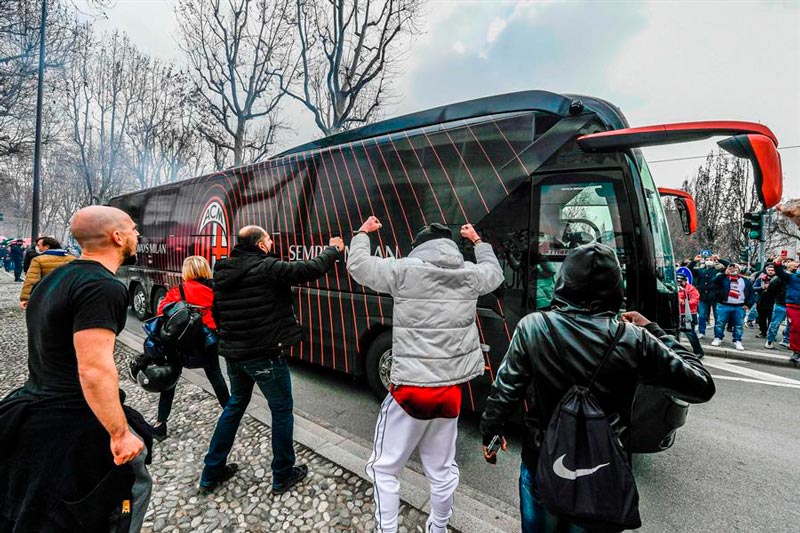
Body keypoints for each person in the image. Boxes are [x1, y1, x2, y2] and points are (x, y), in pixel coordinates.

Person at [479, 243, 715, 533]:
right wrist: (653, 329)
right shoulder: (634, 338)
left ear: (564, 280)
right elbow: (701, 385)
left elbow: (505, 390)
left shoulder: (534, 326)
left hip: (542, 456)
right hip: (604, 463)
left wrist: (490, 432)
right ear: (616, 286)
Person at [347, 217, 504, 533]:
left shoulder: (405, 270)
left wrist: (363, 233)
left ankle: (387, 529)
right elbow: (495, 274)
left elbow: (359, 266)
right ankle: (439, 527)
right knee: (442, 470)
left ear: (418, 246)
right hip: (450, 392)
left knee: (385, 469)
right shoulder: (469, 273)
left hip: (411, 391)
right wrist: (477, 242)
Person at [0, 206, 152, 532]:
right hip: (73, 421)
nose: (137, 235)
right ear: (117, 236)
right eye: (133, 229)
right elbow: (94, 368)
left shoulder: (53, 279)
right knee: (127, 493)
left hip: (35, 411)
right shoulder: (103, 287)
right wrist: (120, 433)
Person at [199, 226, 344, 494]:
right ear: (260, 245)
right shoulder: (266, 267)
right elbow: (308, 270)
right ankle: (282, 474)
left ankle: (211, 471)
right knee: (281, 410)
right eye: (268, 240)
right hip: (264, 355)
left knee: (234, 406)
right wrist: (333, 250)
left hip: (235, 355)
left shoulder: (222, 270)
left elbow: (218, 314)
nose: (272, 243)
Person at [150, 255, 230, 441]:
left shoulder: (176, 291)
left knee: (170, 380)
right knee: (216, 376)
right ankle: (229, 414)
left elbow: (161, 313)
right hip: (205, 342)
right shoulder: (212, 291)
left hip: (178, 344)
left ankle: (161, 423)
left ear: (186, 271)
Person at [19, 236, 76, 309]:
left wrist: (25, 298)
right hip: (68, 296)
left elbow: (31, 280)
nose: (37, 248)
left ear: (46, 247)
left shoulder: (38, 260)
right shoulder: (72, 259)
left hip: (46, 296)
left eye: (39, 245)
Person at [710, 263, 754, 351]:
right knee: (720, 323)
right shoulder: (723, 278)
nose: (733, 270)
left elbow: (751, 293)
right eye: (731, 268)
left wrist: (748, 304)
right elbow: (714, 282)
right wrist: (725, 273)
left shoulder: (745, 281)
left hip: (739, 306)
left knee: (738, 325)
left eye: (736, 268)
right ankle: (718, 338)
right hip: (724, 305)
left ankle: (737, 340)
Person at [689, 255, 728, 337]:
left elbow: (729, 266)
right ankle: (701, 332)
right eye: (707, 259)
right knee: (702, 315)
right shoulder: (700, 270)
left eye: (711, 259)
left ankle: (718, 334)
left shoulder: (718, 271)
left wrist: (720, 259)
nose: (709, 261)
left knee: (717, 317)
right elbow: (688, 269)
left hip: (715, 297)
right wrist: (695, 261)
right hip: (702, 296)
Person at [772, 257, 800, 365]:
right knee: (795, 328)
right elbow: (779, 272)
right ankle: (796, 351)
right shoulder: (792, 277)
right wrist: (778, 261)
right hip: (794, 306)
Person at [677, 272, 704, 356]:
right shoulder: (673, 288)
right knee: (675, 333)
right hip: (677, 313)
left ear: (685, 281)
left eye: (681, 281)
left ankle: (698, 352)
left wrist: (684, 302)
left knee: (690, 333)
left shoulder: (690, 289)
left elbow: (695, 301)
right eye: (677, 281)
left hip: (688, 314)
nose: (679, 283)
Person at [764, 269, 791, 349]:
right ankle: (770, 340)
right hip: (782, 303)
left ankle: (786, 340)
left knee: (791, 324)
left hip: (791, 304)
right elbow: (771, 288)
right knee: (775, 323)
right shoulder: (782, 277)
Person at [753, 264, 777, 338]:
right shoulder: (761, 279)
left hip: (773, 301)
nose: (770, 272)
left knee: (772, 319)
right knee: (761, 318)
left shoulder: (777, 279)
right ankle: (763, 332)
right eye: (769, 270)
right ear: (766, 270)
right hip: (761, 300)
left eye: (772, 270)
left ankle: (771, 334)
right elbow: (753, 287)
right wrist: (762, 287)